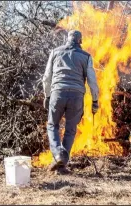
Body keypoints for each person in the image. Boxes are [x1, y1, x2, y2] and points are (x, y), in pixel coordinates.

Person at [42, 30, 99, 173]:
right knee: (70, 130)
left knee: (52, 125)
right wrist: (95, 100)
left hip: (58, 93)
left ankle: (58, 155)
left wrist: (47, 96)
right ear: (80, 41)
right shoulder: (86, 57)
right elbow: (92, 81)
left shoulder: (55, 52)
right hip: (77, 96)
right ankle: (62, 163)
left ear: (67, 39)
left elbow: (47, 77)